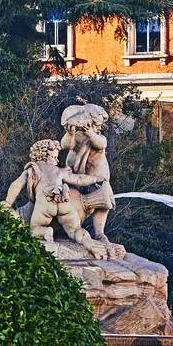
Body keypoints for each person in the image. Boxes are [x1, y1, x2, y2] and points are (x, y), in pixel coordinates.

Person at [60, 102, 115, 241]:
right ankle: (72, 230)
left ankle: (99, 232)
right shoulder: (78, 136)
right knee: (72, 202)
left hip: (97, 179)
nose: (99, 127)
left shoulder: (97, 137)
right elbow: (66, 146)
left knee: (103, 205)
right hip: (77, 177)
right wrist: (70, 133)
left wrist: (91, 133)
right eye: (97, 124)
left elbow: (101, 144)